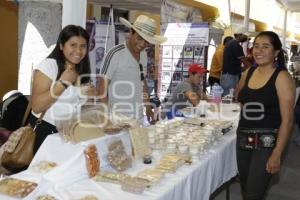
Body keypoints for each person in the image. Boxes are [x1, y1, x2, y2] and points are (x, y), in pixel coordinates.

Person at [236, 31, 295, 200]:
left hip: (266, 141)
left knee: (254, 193)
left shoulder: (282, 77)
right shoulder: (248, 73)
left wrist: (277, 153)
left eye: (265, 46)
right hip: (243, 137)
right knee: (246, 188)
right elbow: (240, 98)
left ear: (276, 52)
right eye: (256, 46)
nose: (259, 50)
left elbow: (288, 120)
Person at [30, 25, 95, 153]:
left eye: (83, 46)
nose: (78, 50)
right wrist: (63, 83)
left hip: (70, 133)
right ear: (61, 45)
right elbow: (37, 106)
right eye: (73, 45)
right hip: (46, 131)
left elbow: (75, 105)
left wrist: (89, 99)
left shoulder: (81, 70)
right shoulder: (48, 66)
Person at [98, 15, 167, 123]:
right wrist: (106, 118)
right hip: (117, 120)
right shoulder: (115, 54)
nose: (142, 44)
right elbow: (102, 87)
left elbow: (141, 81)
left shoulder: (143, 55)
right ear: (131, 32)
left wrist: (148, 107)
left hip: (137, 118)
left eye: (146, 41)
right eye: (139, 38)